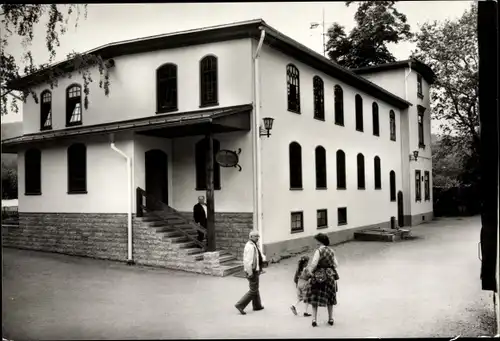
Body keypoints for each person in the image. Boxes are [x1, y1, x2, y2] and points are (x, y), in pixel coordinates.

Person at [303, 233, 339, 327]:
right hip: (330, 275)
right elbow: (336, 264)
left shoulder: (318, 251)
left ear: (320, 241)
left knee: (315, 297)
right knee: (330, 297)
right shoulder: (332, 251)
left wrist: (310, 272)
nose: (316, 243)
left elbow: (314, 263)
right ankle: (330, 319)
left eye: (317, 241)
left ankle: (314, 320)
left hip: (319, 276)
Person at [234, 231, 265, 315]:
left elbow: (258, 257)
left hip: (255, 270)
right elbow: (247, 261)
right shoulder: (250, 246)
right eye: (256, 236)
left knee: (255, 288)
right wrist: (250, 272)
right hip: (252, 271)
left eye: (258, 236)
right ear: (251, 237)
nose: (258, 238)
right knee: (253, 290)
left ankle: (257, 305)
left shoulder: (254, 245)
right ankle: (240, 305)